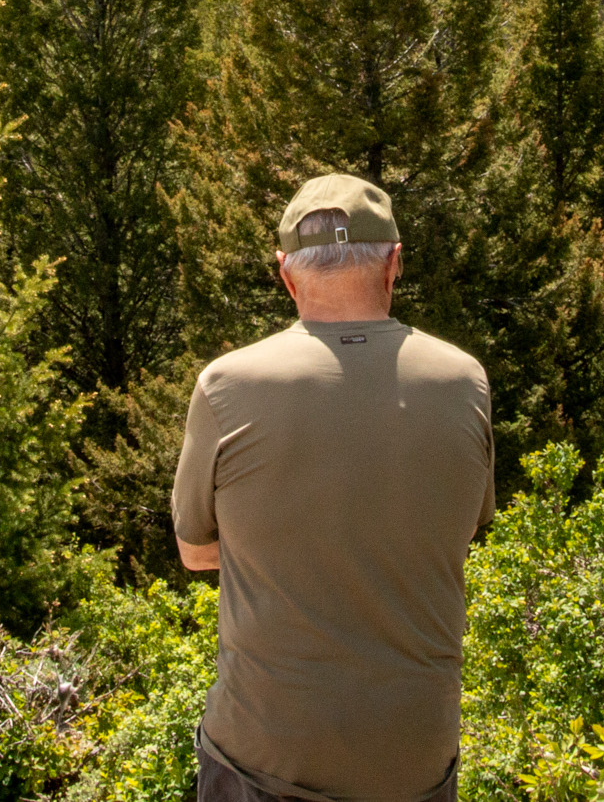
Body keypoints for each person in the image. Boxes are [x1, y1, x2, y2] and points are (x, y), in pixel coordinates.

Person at [171, 175, 494, 802]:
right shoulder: (464, 382)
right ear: (394, 264)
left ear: (287, 274)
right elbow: (463, 531)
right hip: (415, 761)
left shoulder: (225, 386)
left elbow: (196, 553)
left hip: (263, 757)